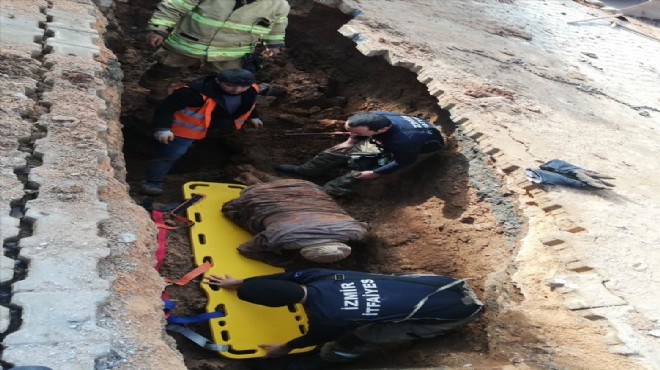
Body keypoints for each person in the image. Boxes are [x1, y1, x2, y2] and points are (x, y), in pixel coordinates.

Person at [205, 268, 482, 366]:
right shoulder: (319, 275)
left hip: (456, 312)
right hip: (444, 282)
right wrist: (243, 282)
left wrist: (284, 348)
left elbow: (310, 337)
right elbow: (285, 277)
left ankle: (332, 361)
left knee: (360, 337)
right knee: (391, 281)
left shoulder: (329, 319)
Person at [139, 0, 290, 102]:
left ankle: (218, 106)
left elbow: (278, 25)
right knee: (163, 69)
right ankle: (157, 95)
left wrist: (274, 44)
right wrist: (158, 28)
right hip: (187, 43)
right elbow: (174, 5)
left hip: (231, 52)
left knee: (232, 81)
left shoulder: (278, 4)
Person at [141, 69, 262, 195]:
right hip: (186, 130)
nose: (236, 90)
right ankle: (153, 181)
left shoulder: (251, 89)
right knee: (169, 155)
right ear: (217, 81)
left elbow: (249, 103)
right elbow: (165, 108)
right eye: (229, 85)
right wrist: (162, 129)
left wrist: (253, 116)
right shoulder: (192, 93)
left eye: (243, 86)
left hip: (216, 126)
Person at [277, 111, 445, 197]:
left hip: (417, 151)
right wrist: (351, 141)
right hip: (387, 140)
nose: (353, 133)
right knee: (337, 151)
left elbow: (402, 162)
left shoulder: (404, 141)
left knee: (358, 173)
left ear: (381, 130)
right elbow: (356, 130)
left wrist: (374, 173)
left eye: (357, 133)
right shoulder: (376, 117)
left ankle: (327, 191)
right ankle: (305, 171)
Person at [221, 179, 369, 266]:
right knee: (228, 210)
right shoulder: (280, 236)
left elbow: (366, 226)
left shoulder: (355, 230)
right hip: (259, 193)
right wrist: (282, 261)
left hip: (306, 187)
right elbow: (245, 249)